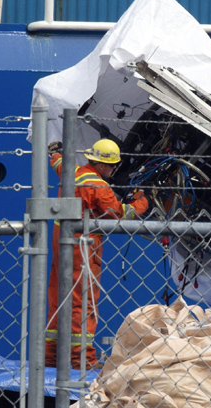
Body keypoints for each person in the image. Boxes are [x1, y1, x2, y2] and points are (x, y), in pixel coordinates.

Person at [44, 138, 149, 369]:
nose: (113, 170)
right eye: (112, 166)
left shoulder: (72, 171)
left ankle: (50, 359)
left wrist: (54, 152)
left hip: (60, 241)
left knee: (57, 300)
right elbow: (120, 215)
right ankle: (83, 360)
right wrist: (143, 201)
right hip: (83, 247)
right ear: (102, 164)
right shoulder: (99, 186)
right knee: (84, 303)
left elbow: (57, 162)